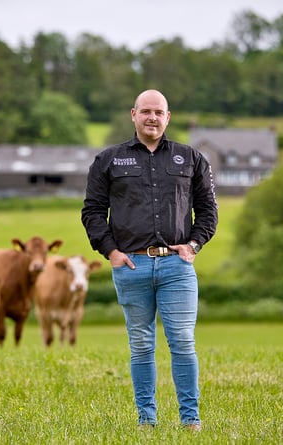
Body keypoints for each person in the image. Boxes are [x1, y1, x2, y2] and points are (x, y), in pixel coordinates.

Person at [81, 89, 218, 431]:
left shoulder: (191, 159)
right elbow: (93, 211)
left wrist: (194, 244)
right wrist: (110, 252)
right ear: (133, 115)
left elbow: (208, 210)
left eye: (159, 112)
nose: (152, 117)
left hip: (177, 267)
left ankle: (191, 420)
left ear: (168, 117)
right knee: (141, 344)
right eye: (146, 111)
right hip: (132, 265)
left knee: (183, 341)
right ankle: (147, 420)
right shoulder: (108, 160)